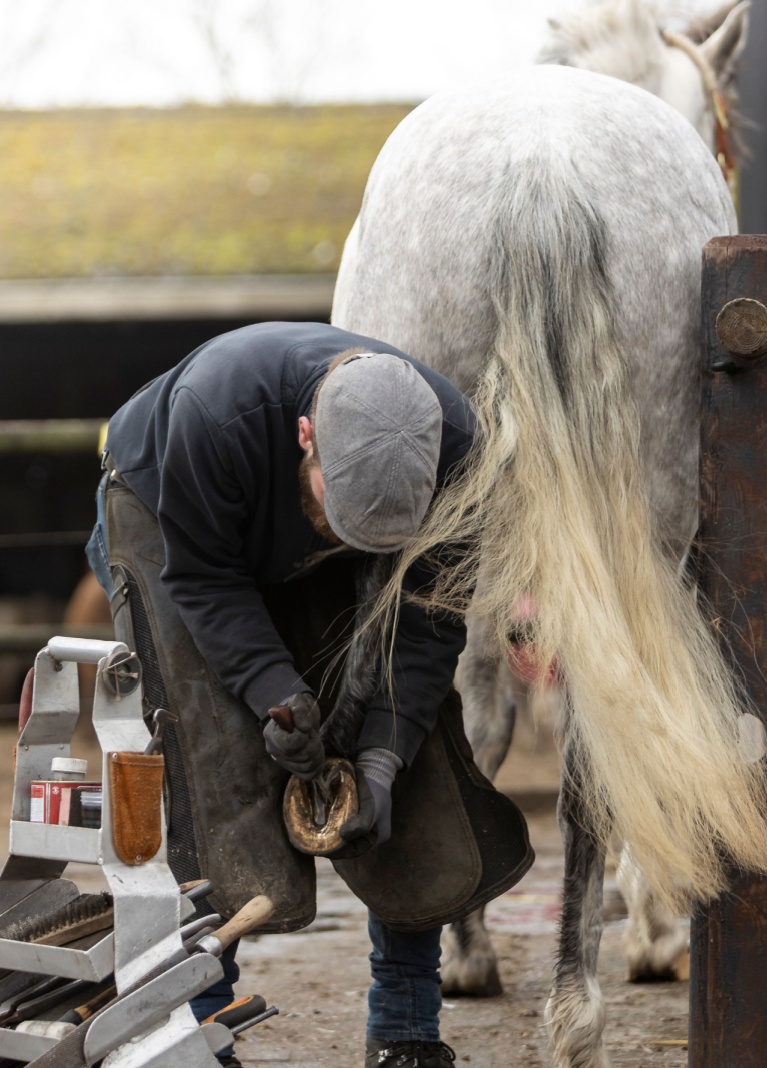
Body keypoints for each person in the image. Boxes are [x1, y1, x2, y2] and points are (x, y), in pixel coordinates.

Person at [85, 321, 529, 1068]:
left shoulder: (462, 453)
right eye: (339, 505)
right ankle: (204, 1028)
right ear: (305, 436)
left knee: (420, 760)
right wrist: (275, 695)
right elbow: (204, 582)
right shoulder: (212, 414)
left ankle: (407, 1029)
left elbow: (424, 625)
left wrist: (385, 753)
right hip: (170, 516)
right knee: (207, 765)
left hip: (315, 537)